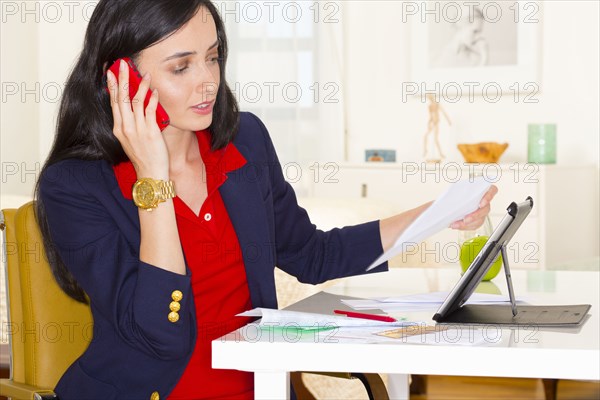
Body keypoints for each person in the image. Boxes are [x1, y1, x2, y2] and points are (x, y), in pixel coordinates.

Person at [34, 1, 497, 399]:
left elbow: (312, 254)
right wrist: (153, 179)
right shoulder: (75, 187)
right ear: (119, 79)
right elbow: (159, 336)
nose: (208, 82)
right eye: (181, 66)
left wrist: (438, 212)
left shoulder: (244, 141)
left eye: (213, 58)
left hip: (263, 387)